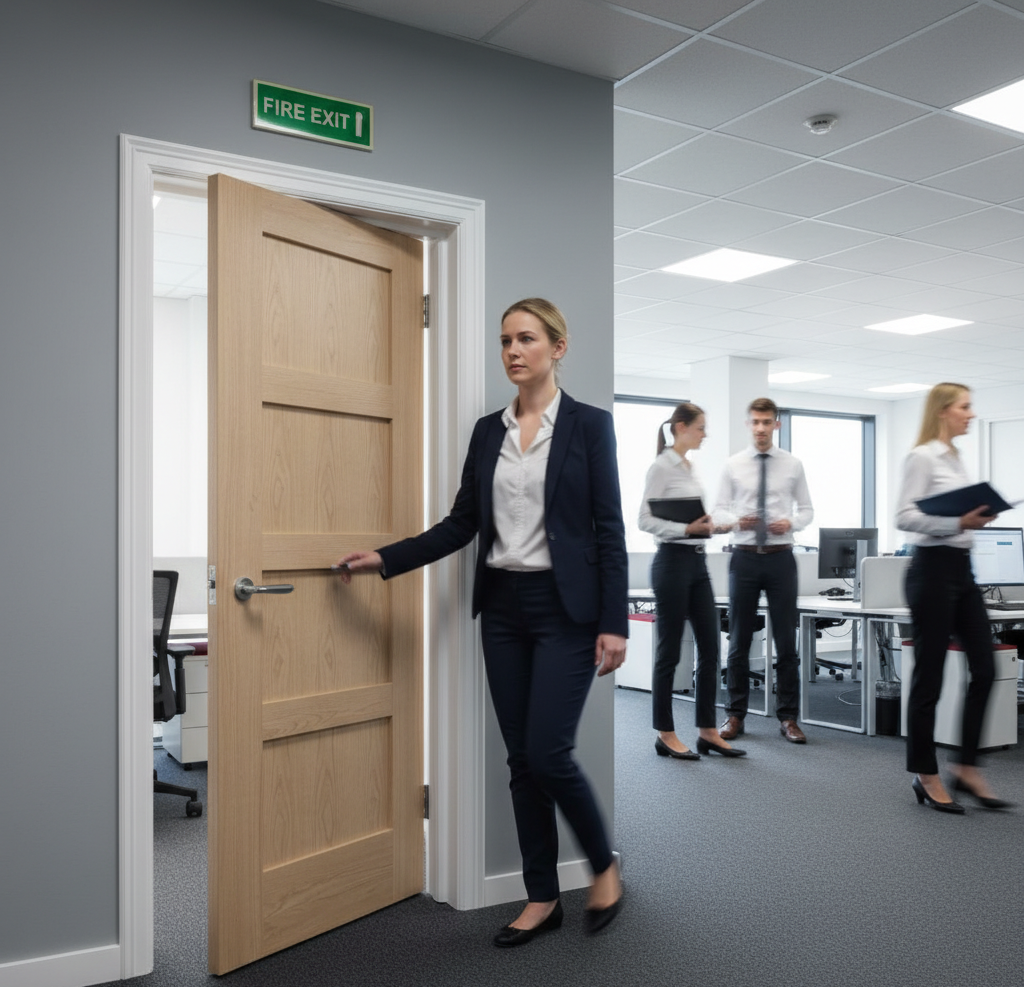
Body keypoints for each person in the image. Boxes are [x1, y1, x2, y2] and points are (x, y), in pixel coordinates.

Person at [334, 298, 628, 944]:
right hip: (502, 610)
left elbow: (609, 530)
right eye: (505, 341)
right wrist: (387, 557)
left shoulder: (589, 427)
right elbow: (462, 523)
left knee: (550, 752)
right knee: (522, 759)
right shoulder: (486, 431)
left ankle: (604, 865)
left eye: (526, 339)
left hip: (567, 613)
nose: (513, 351)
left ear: (558, 346)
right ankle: (541, 895)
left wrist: (615, 621)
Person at [895, 382, 1012, 813]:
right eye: (965, 407)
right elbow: (904, 516)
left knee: (985, 667)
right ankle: (925, 773)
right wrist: (958, 521)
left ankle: (965, 766)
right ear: (944, 411)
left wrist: (975, 517)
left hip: (963, 573)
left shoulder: (956, 458)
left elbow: (956, 517)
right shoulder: (922, 455)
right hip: (930, 571)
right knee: (931, 678)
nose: (971, 414)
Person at [639, 403, 745, 759]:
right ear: (681, 427)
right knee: (669, 652)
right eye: (700, 427)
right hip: (670, 562)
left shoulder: (689, 467)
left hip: (698, 563)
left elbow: (697, 519)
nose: (705, 434)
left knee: (711, 649)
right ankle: (665, 733)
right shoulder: (661, 466)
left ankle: (707, 730)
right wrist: (686, 528)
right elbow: (644, 520)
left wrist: (715, 525)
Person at [712, 397, 813, 744]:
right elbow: (719, 511)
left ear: (776, 425)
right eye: (755, 422)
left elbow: (807, 509)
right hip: (744, 557)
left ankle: (789, 719)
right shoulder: (733, 464)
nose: (760, 428)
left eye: (766, 422)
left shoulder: (793, 464)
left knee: (786, 641)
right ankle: (734, 715)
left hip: (781, 556)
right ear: (748, 424)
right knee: (738, 639)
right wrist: (737, 520)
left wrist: (793, 522)